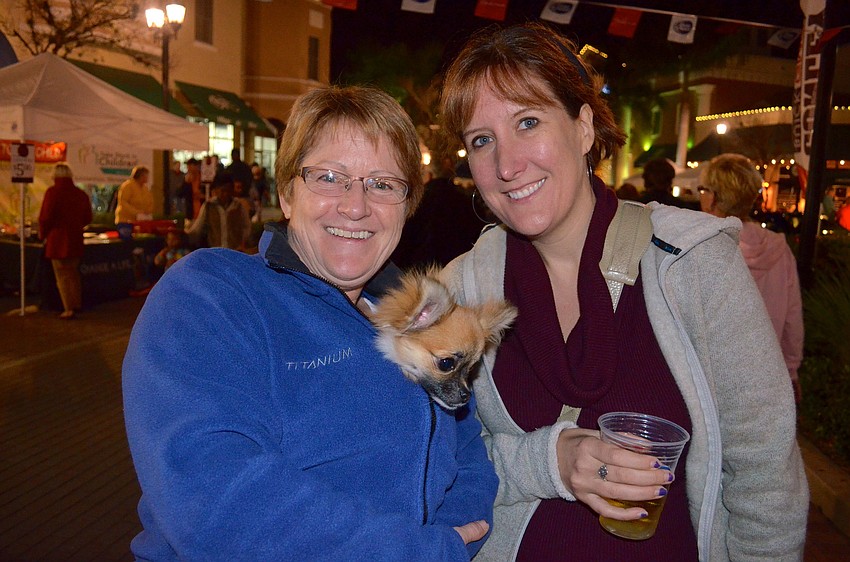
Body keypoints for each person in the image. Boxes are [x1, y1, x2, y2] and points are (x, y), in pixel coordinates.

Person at [438, 22, 807, 561]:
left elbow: (765, 474)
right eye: (481, 140)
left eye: (528, 121)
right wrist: (551, 461)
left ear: (584, 127)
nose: (507, 164)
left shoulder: (695, 266)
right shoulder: (460, 292)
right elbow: (439, 466)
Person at [122, 85, 498, 560]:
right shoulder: (212, 293)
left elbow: (466, 449)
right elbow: (213, 492)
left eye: (383, 184)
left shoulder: (420, 317)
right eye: (328, 177)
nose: (355, 205)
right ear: (285, 193)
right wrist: (414, 551)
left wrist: (450, 540)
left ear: (406, 207)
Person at [699, 153, 804, 402]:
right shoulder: (779, 248)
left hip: (709, 379)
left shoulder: (703, 246)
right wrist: (791, 371)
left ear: (714, 197)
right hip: (764, 377)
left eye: (703, 189)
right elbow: (792, 317)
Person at [37, 162, 93, 319]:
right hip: (75, 239)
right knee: (73, 274)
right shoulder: (80, 194)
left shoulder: (52, 192)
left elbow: (45, 217)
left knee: (62, 276)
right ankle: (77, 304)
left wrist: (43, 235)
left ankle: (68, 309)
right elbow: (87, 217)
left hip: (57, 240)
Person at [186, 172, 252, 251]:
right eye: (223, 191)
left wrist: (241, 241)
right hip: (215, 253)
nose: (226, 194)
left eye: (228, 190)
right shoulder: (208, 206)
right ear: (216, 190)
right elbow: (198, 228)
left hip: (235, 252)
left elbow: (247, 227)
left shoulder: (238, 206)